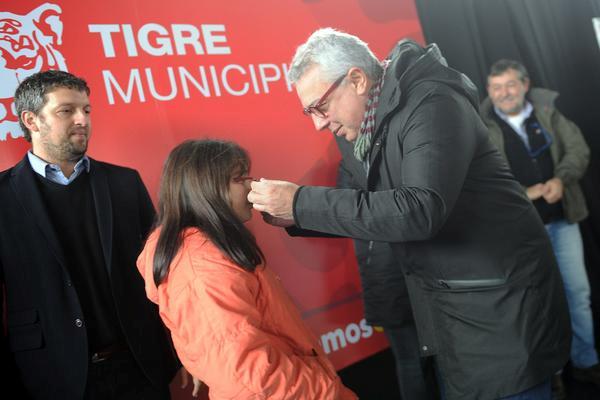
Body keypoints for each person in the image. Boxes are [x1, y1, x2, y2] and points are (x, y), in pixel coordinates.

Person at [248, 28, 572, 400]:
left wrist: (301, 203)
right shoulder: (368, 126)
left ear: (357, 80)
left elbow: (419, 209)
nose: (318, 123)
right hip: (459, 312)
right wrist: (296, 216)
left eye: (320, 107)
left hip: (503, 310)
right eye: (309, 112)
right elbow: (373, 206)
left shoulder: (432, 102)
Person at [0, 70, 182, 399]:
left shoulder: (124, 183)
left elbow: (165, 273)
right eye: (66, 110)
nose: (82, 119)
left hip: (140, 365)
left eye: (86, 110)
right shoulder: (3, 197)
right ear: (31, 120)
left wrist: (187, 345)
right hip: (51, 377)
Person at [136, 139, 357, 400]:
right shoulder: (201, 268)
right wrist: (329, 393)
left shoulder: (207, 252)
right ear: (205, 188)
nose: (252, 186)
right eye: (240, 179)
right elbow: (249, 378)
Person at [481, 59, 599, 396]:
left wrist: (561, 179)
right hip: (523, 233)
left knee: (578, 294)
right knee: (540, 305)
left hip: (563, 221)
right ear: (489, 91)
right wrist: (525, 193)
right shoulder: (483, 128)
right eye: (497, 87)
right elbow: (485, 180)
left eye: (510, 84)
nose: (505, 93)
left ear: (525, 84)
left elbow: (578, 149)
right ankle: (553, 374)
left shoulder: (549, 112)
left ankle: (586, 363)